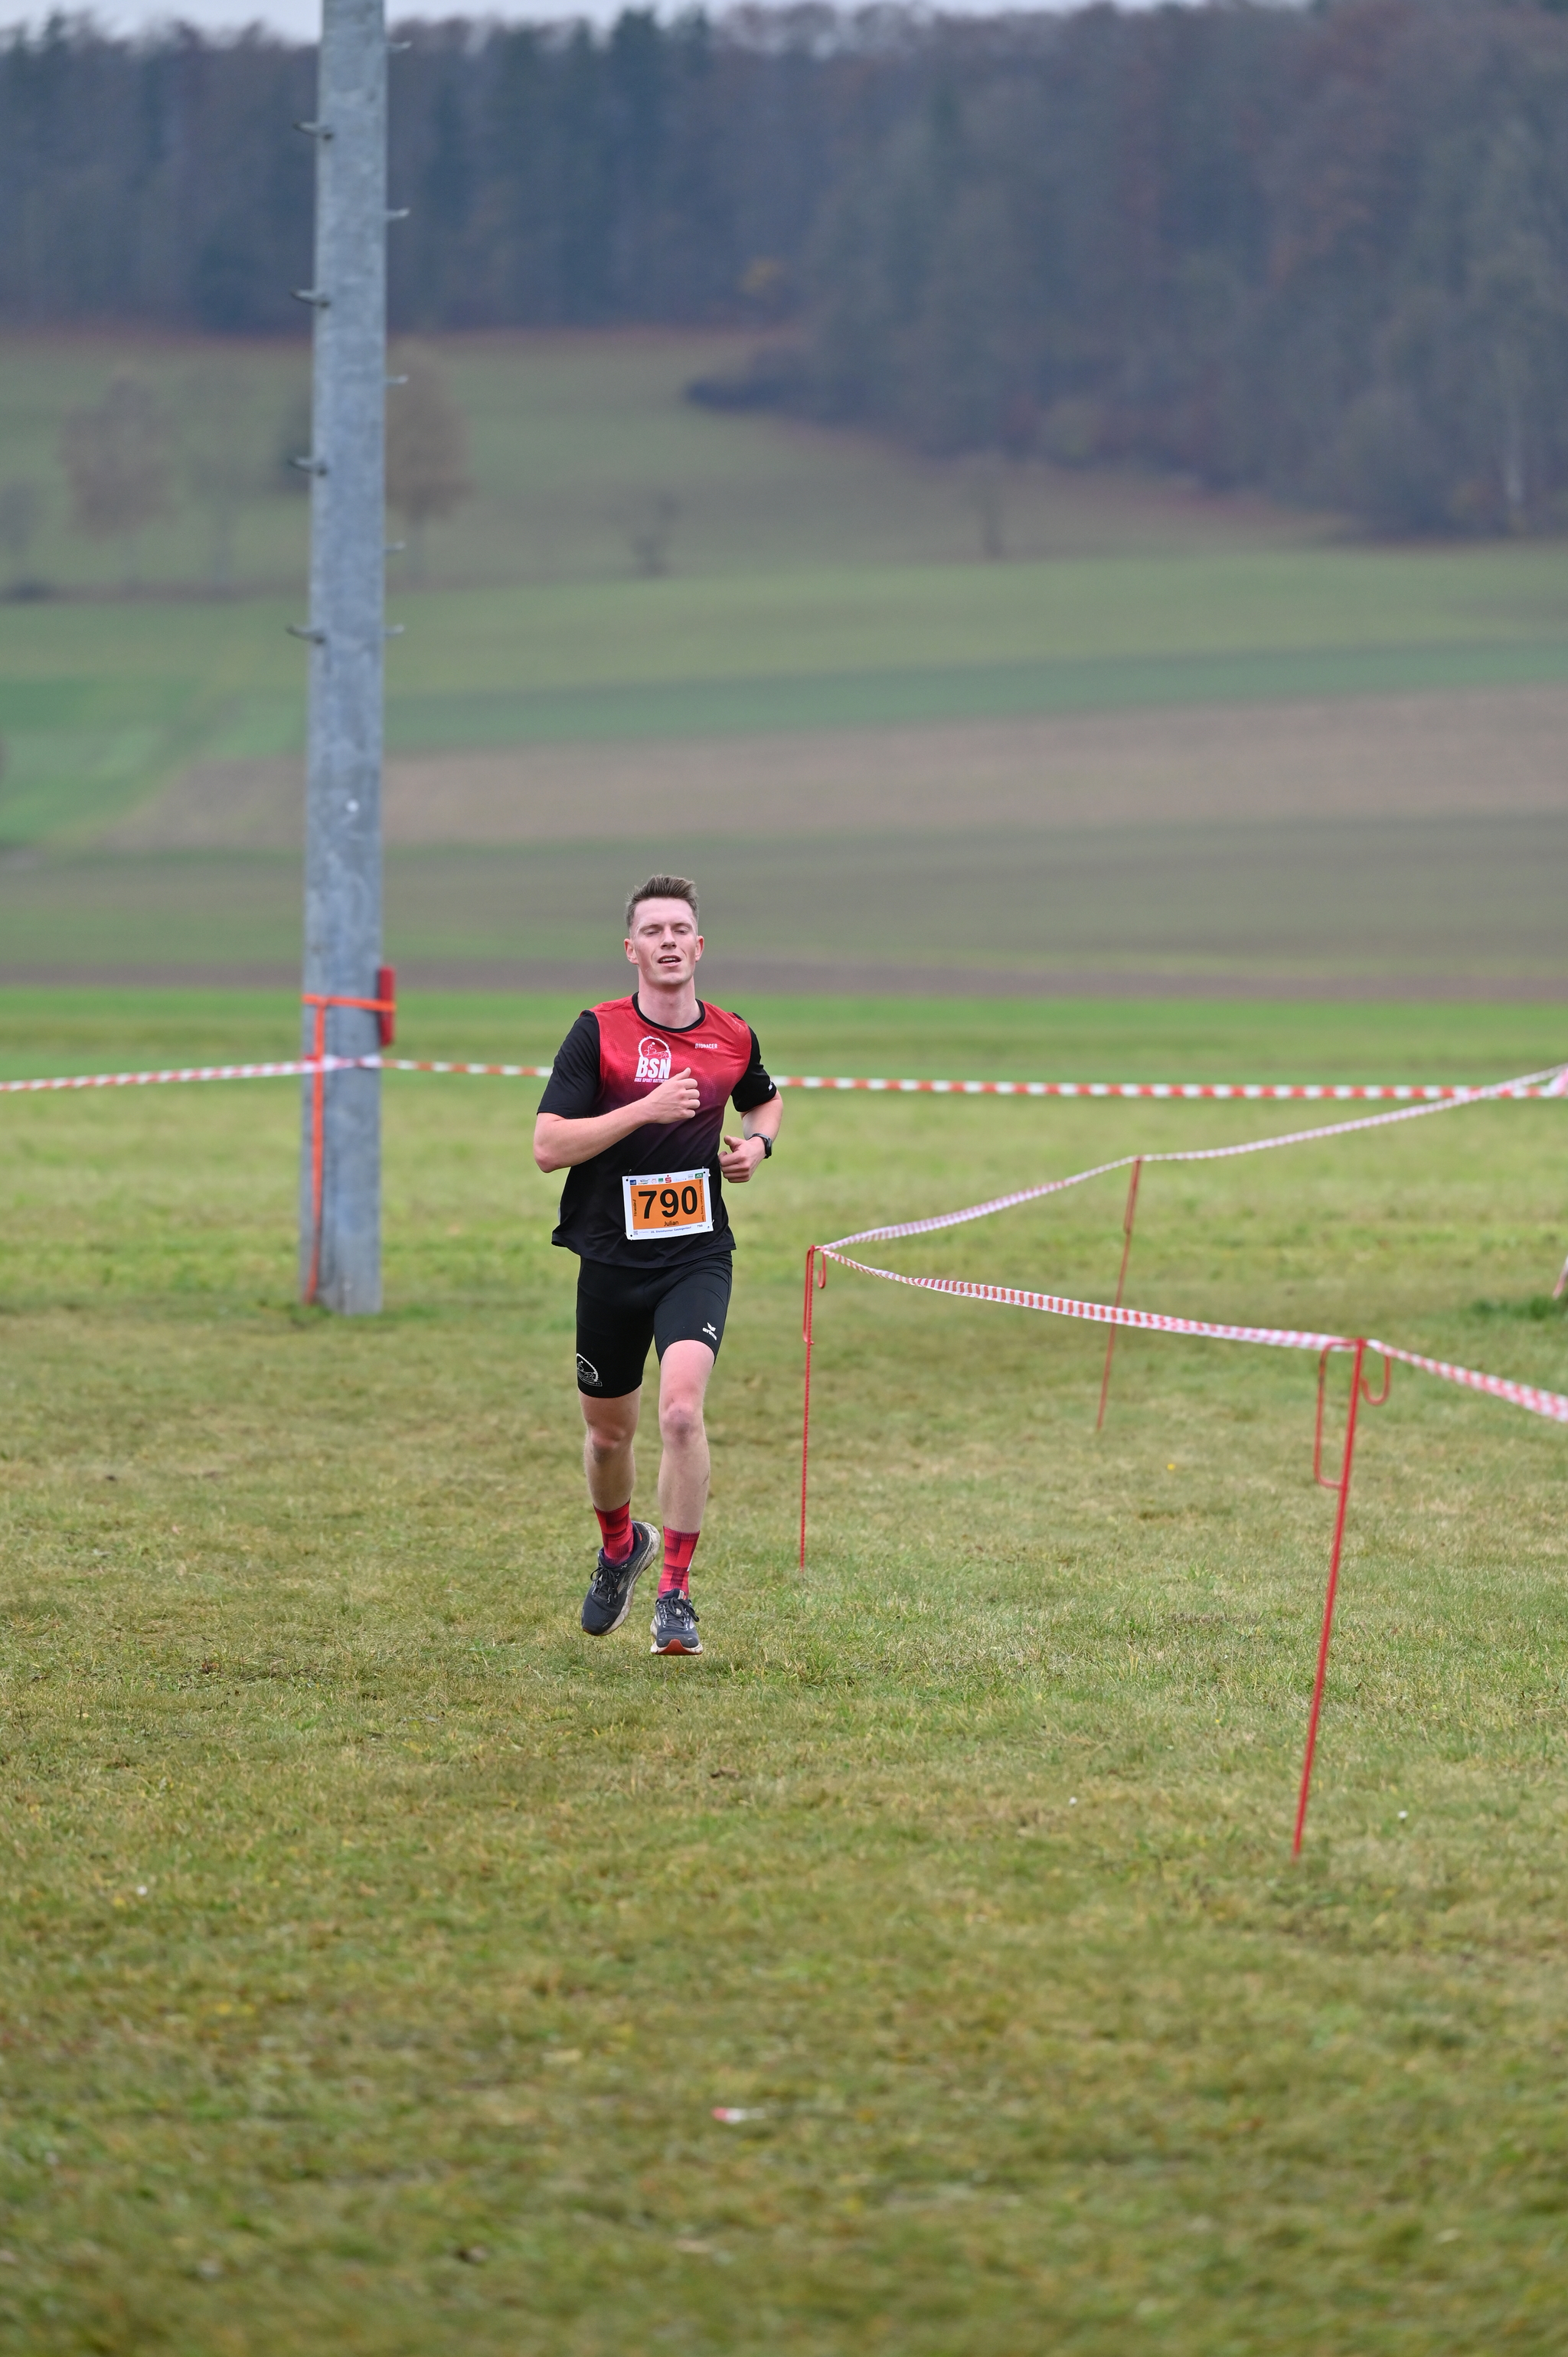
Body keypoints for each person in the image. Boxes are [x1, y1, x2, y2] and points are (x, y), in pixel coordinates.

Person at [534, 875, 782, 1656]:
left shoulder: (732, 1035)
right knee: (609, 1437)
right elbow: (548, 1147)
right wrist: (645, 1109)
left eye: (679, 929)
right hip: (610, 1259)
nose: (668, 941)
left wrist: (757, 1145)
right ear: (632, 950)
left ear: (698, 947)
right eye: (653, 931)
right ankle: (620, 1548)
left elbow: (764, 1098)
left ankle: (675, 1595)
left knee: (679, 1413)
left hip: (695, 1256)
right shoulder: (598, 1033)